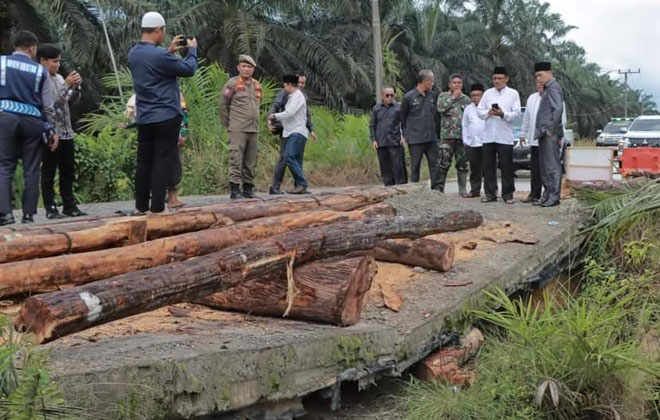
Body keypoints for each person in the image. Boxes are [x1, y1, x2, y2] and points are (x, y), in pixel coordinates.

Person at [127, 12, 198, 214]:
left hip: (145, 117)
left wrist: (169, 51)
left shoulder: (134, 53)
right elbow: (188, 69)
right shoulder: (160, 55)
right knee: (162, 161)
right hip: (166, 116)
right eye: (163, 31)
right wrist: (192, 51)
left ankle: (140, 207)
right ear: (158, 30)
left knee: (144, 162)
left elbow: (155, 67)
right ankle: (157, 207)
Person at [0, 30, 58, 225]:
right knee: (32, 168)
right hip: (32, 121)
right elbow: (48, 106)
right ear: (32, 48)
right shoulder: (40, 71)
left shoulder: (2, 63)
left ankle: (6, 214)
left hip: (6, 116)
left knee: (5, 165)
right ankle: (28, 215)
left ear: (14, 45)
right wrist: (50, 129)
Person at [36, 44, 87, 219]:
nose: (57, 65)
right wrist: (66, 85)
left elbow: (70, 102)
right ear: (42, 60)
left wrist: (76, 88)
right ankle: (50, 207)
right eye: (54, 61)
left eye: (59, 61)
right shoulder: (41, 79)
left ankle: (69, 205)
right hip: (51, 133)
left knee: (67, 171)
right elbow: (51, 104)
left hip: (66, 132)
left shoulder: (58, 78)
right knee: (49, 172)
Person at [220, 55, 262, 199]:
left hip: (253, 129)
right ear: (238, 68)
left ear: (253, 69)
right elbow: (223, 105)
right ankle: (235, 190)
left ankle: (248, 189)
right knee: (235, 159)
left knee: (251, 161)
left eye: (249, 67)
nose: (246, 69)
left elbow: (258, 105)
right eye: (243, 66)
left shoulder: (257, 85)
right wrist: (229, 124)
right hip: (237, 128)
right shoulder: (232, 84)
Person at [267, 70, 316, 195]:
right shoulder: (286, 94)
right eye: (299, 82)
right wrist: (271, 119)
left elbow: (293, 113)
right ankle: (283, 186)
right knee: (289, 158)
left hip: (296, 131)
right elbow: (276, 105)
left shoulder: (299, 96)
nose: (301, 85)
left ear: (289, 84)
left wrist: (273, 117)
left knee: (289, 157)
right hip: (287, 131)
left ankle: (301, 184)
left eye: (303, 83)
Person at [477, 66, 521, 204]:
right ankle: (490, 194)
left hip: (504, 136)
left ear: (506, 79)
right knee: (488, 166)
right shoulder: (488, 94)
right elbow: (479, 111)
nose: (497, 81)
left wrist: (503, 114)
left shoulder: (513, 94)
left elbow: (517, 113)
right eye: (495, 78)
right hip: (489, 136)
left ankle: (508, 194)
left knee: (506, 166)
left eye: (500, 78)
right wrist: (488, 113)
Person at [400, 70, 441, 190]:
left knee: (435, 164)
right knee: (415, 166)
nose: (433, 84)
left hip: (431, 138)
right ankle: (414, 189)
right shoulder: (408, 97)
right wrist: (406, 135)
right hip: (415, 138)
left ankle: (437, 189)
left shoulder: (432, 96)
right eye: (431, 81)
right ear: (425, 81)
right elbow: (403, 117)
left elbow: (435, 116)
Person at [534, 61, 565, 207]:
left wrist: (550, 129)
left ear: (549, 73)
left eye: (540, 75)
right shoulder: (548, 88)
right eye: (536, 76)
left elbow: (558, 109)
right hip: (544, 133)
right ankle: (547, 195)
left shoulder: (553, 88)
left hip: (550, 134)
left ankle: (554, 196)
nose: (538, 78)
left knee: (552, 166)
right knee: (545, 166)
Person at [437, 73, 472, 194]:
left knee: (462, 163)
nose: (457, 85)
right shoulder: (443, 96)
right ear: (449, 84)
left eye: (459, 83)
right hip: (447, 136)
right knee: (443, 163)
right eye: (454, 83)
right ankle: (439, 189)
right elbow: (441, 109)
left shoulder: (466, 99)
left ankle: (462, 189)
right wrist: (453, 98)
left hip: (462, 137)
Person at [369, 86, 405, 186]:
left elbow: (404, 123)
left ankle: (400, 187)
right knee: (385, 167)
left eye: (392, 95)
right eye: (387, 95)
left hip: (395, 142)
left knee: (397, 167)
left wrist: (404, 137)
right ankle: (388, 187)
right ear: (382, 96)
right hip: (381, 142)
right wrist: (373, 139)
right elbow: (372, 125)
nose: (389, 97)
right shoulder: (376, 108)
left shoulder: (398, 107)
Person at [461, 83, 486, 198]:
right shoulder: (468, 109)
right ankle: (475, 190)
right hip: (472, 142)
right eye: (473, 95)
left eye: (478, 95)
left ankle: (490, 191)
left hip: (486, 141)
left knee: (488, 167)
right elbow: (465, 125)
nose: (475, 97)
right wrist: (465, 140)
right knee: (474, 167)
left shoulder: (488, 107)